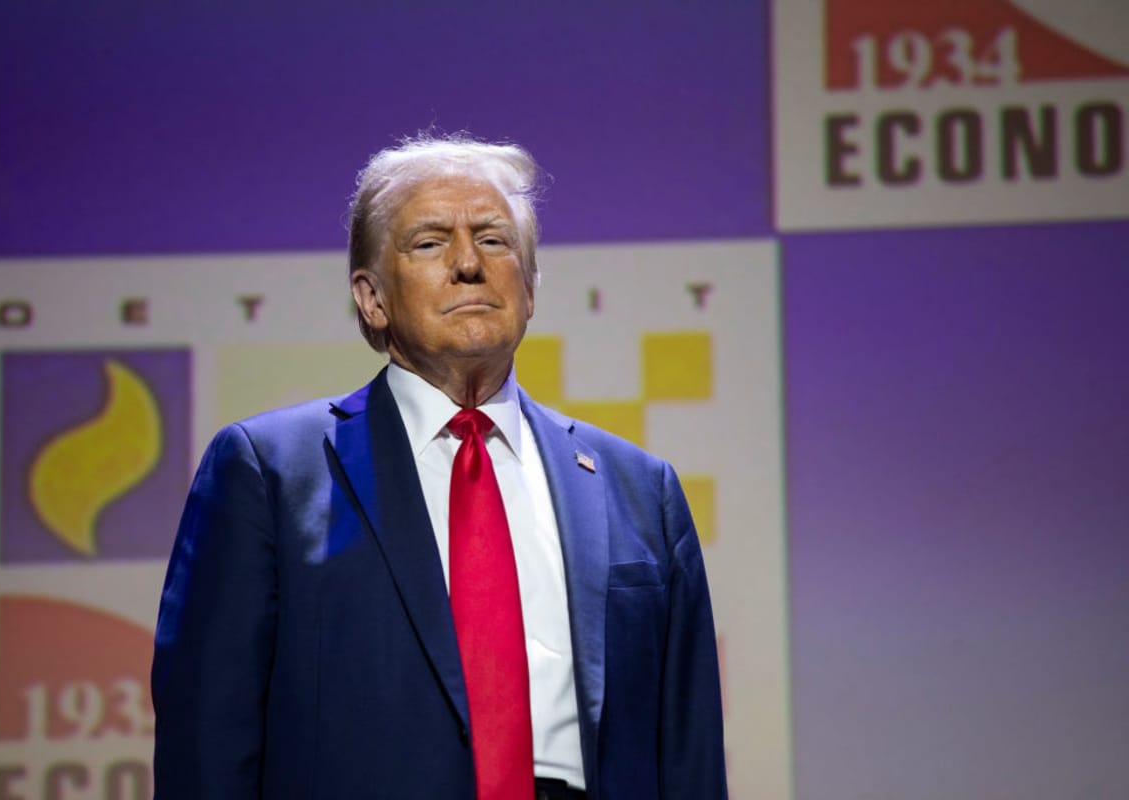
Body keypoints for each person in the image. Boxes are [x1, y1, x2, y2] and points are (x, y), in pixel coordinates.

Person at [151, 134, 728, 799]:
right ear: (372, 298)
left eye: (494, 240)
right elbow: (206, 740)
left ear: (531, 287)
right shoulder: (270, 473)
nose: (467, 263)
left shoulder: (639, 490)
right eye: (428, 243)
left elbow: (688, 753)